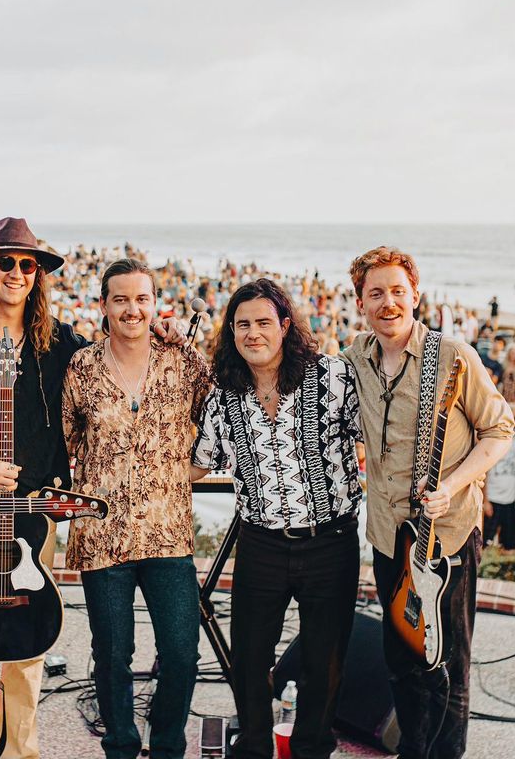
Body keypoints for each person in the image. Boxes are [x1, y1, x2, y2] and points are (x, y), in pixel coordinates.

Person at [0, 218, 184, 759]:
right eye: (5, 261)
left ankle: (21, 752)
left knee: (28, 643)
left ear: (39, 274)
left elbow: (116, 360)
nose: (16, 272)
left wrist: (157, 333)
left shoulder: (61, 347)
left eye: (26, 264)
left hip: (35, 520)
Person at [342, 247, 514, 759]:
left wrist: (456, 482)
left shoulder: (454, 356)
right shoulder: (355, 357)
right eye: (376, 293)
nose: (388, 302)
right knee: (402, 657)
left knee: (448, 665)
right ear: (360, 302)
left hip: (449, 537)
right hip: (388, 534)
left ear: (416, 294)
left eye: (398, 291)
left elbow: (500, 430)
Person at [191, 278, 363, 759]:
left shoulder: (332, 376)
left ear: (285, 326)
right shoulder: (224, 393)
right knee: (249, 656)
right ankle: (253, 746)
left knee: (324, 660)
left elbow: (377, 432)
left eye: (264, 322)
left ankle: (312, 749)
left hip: (330, 541)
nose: (253, 333)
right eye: (242, 324)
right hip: (261, 544)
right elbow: (200, 460)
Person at [63, 259, 211, 759]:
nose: (132, 309)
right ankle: (121, 746)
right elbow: (64, 444)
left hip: (167, 534)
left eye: (142, 298)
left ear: (155, 304)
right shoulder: (82, 367)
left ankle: (168, 745)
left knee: (181, 654)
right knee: (111, 656)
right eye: (120, 299)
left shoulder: (183, 360)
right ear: (103, 305)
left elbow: (217, 429)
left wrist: (179, 473)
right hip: (101, 536)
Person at [483, 431, 515, 549]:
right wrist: (485, 500)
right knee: (485, 542)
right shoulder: (494, 440)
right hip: (493, 499)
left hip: (512, 501)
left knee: (509, 543)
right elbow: (485, 471)